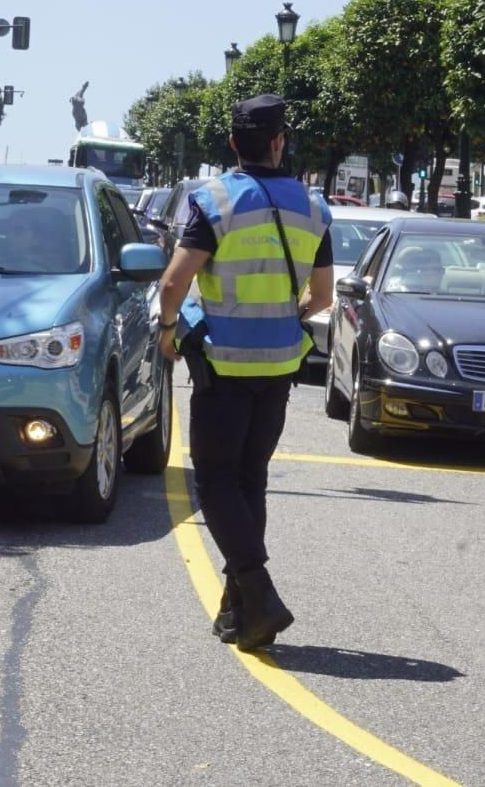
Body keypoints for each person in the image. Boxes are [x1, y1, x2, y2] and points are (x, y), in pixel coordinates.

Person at [156, 94, 333, 651]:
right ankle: (239, 609)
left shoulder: (216, 200)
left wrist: (167, 329)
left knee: (215, 479)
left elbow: (174, 282)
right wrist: (282, 317)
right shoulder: (313, 207)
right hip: (280, 365)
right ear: (280, 142)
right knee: (251, 477)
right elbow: (322, 297)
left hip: (225, 365)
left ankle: (258, 591)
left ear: (233, 142)